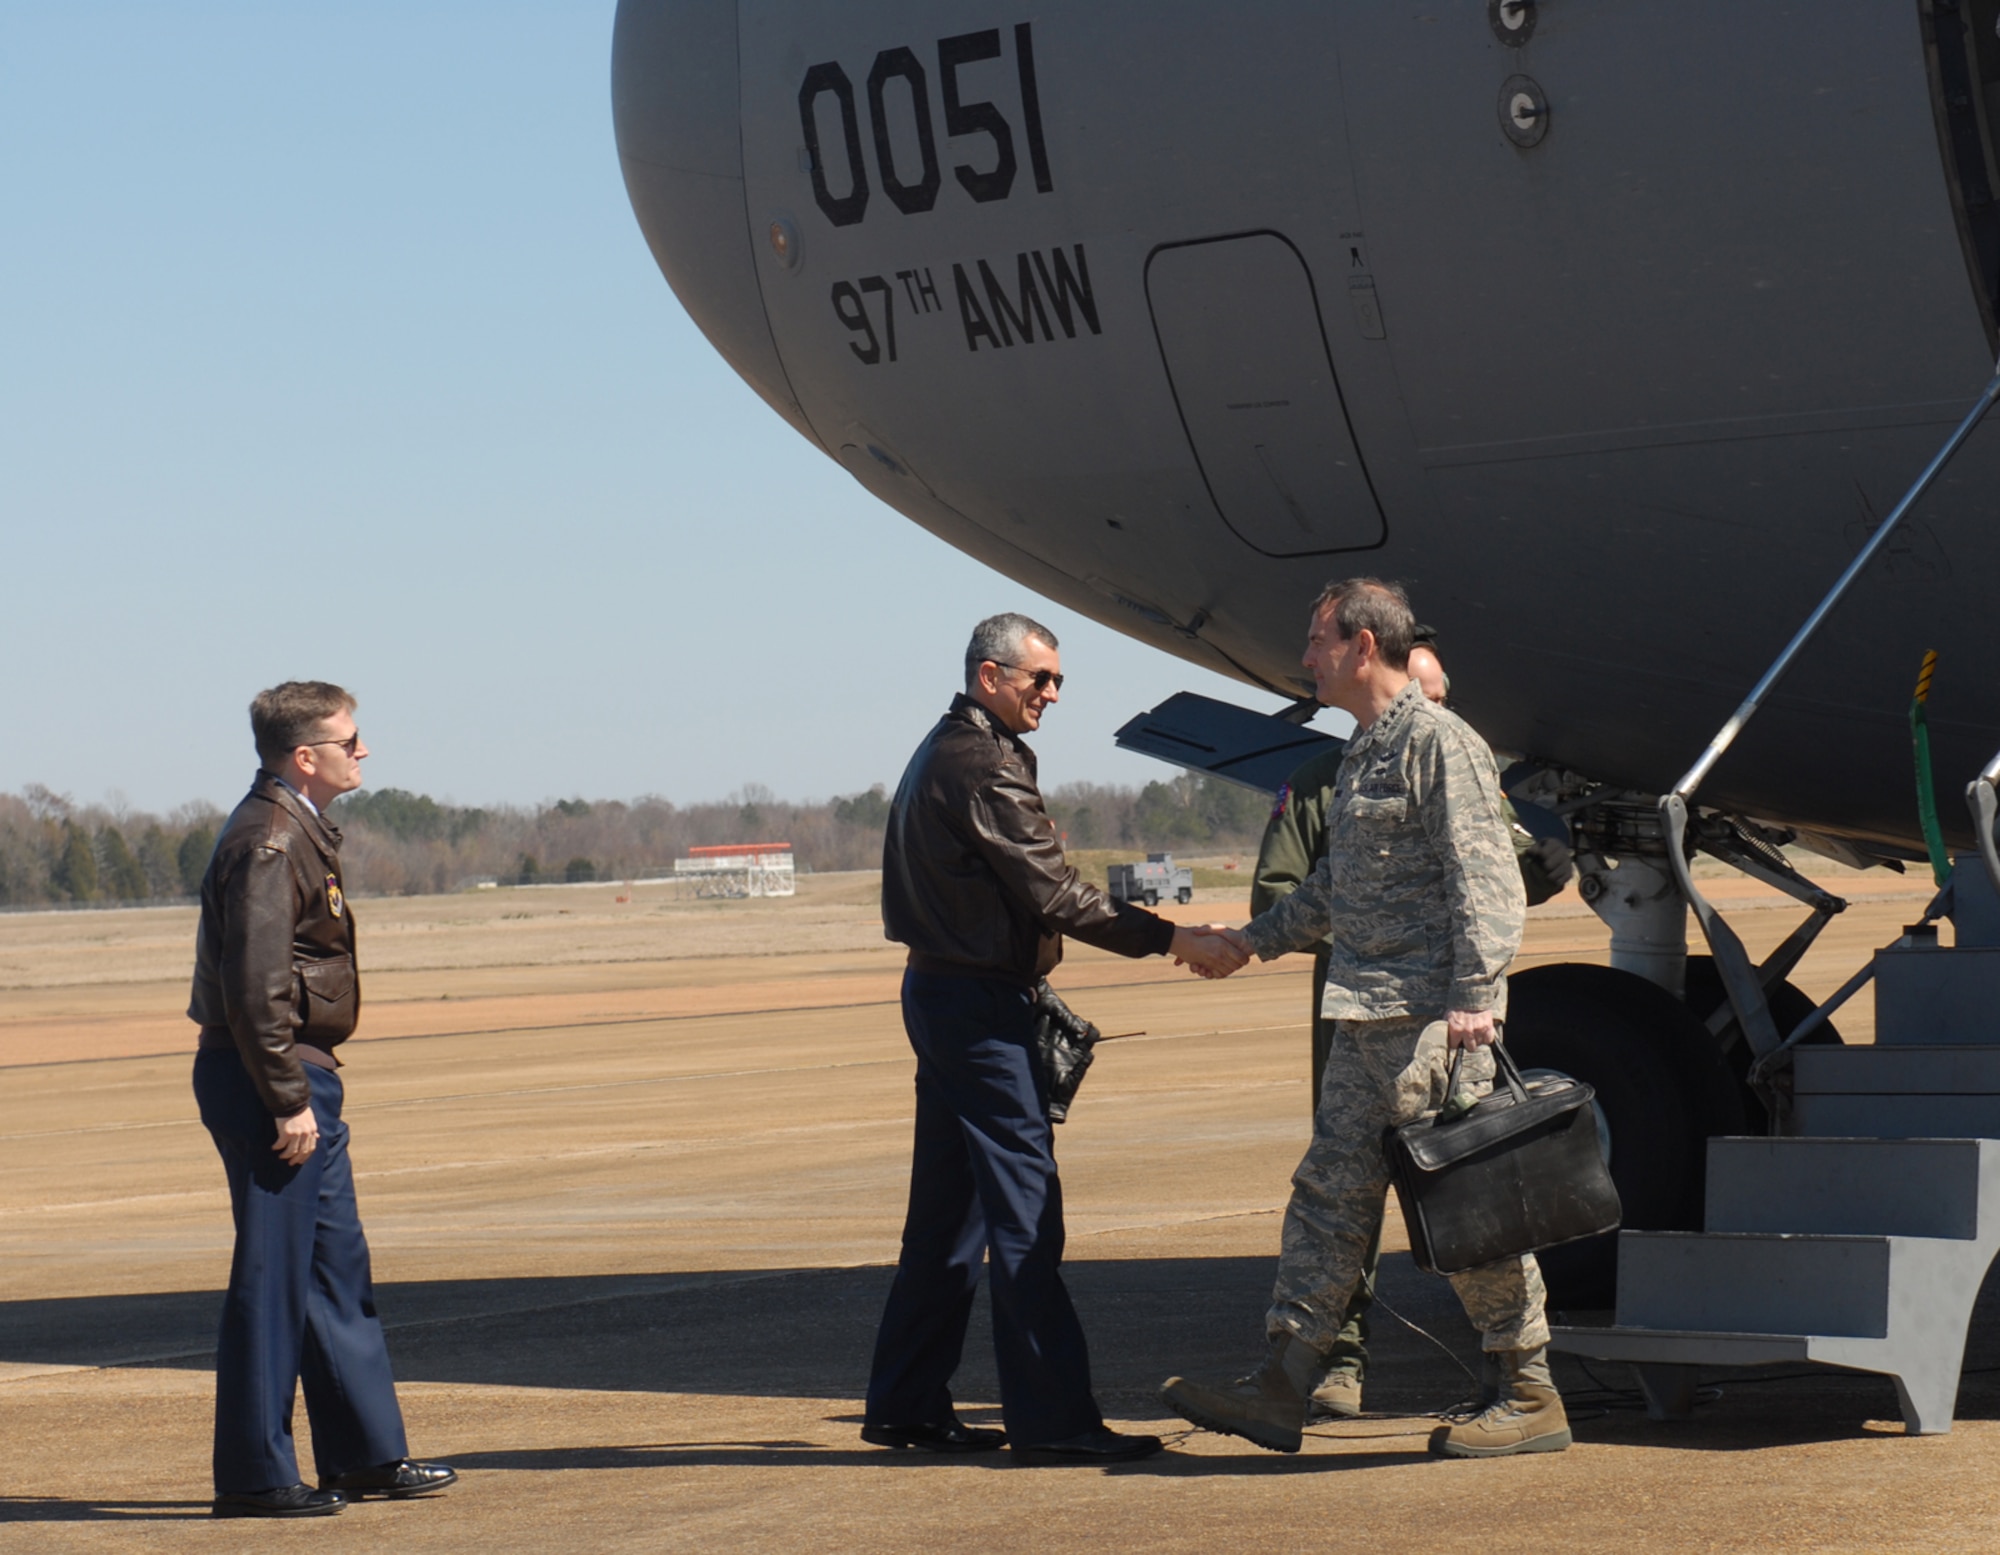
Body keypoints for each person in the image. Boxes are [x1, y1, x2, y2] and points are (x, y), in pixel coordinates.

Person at [1163, 580, 1570, 1459]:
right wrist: (1247, 941)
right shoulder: (1362, 751)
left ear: (1360, 646)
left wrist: (1475, 997)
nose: (1304, 658)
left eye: (1315, 640)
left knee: (1466, 1206)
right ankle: (1283, 1384)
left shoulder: (1439, 742)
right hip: (1364, 1020)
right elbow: (1330, 892)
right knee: (1328, 1200)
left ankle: (1530, 1389)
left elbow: (1488, 879)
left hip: (1431, 1025)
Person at [864, 613, 1246, 1462]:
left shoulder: (950, 748)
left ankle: (905, 1404)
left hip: (944, 995)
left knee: (949, 1219)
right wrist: (1173, 938)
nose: (1052, 693)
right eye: (1039, 678)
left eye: (1058, 680)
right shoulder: (981, 763)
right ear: (989, 675)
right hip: (977, 1009)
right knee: (1027, 1212)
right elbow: (1056, 894)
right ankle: (1053, 1419)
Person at [188, 682, 456, 1516]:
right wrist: (286, 1097)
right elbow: (255, 988)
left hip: (299, 1074)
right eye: (350, 740)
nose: (363, 751)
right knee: (272, 1277)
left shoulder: (297, 826)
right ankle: (256, 1475)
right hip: (271, 1077)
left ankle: (364, 1454)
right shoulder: (270, 839)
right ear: (305, 756)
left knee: (334, 1267)